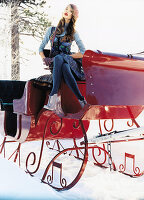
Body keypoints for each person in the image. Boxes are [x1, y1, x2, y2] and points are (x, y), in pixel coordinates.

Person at [39, 4, 87, 111]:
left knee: (61, 59)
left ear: (73, 15)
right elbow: (40, 48)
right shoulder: (51, 30)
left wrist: (66, 56)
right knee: (62, 64)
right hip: (55, 65)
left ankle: (53, 95)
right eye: (66, 9)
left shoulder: (74, 33)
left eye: (70, 11)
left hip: (68, 61)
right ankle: (81, 100)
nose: (67, 11)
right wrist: (44, 58)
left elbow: (83, 52)